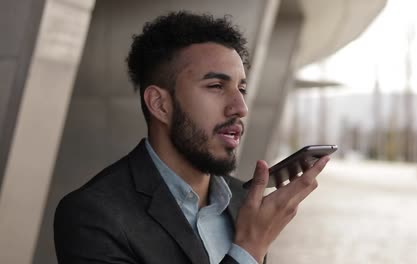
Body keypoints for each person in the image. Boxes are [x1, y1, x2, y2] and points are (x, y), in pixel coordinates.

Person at [54, 11, 330, 264]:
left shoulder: (243, 201)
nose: (240, 107)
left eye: (241, 89)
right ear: (160, 104)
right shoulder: (92, 215)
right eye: (216, 86)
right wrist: (248, 249)